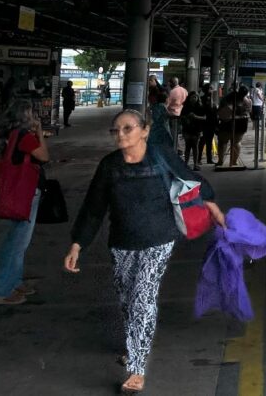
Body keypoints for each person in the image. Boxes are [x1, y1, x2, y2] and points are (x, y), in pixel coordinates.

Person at [64, 109, 226, 394]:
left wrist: (210, 203)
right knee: (128, 300)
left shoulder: (161, 156)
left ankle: (137, 368)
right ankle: (134, 344)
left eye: (128, 128)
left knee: (142, 299)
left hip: (159, 239)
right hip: (122, 243)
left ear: (145, 130)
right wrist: (78, 244)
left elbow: (190, 178)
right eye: (116, 130)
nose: (121, 134)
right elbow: (94, 208)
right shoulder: (110, 166)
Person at [0, 100, 49, 305]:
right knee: (17, 243)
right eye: (32, 113)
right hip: (26, 193)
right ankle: (1, 289)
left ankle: (14, 282)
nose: (35, 116)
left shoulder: (13, 134)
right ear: (25, 116)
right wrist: (40, 132)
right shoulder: (25, 137)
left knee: (16, 242)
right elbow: (44, 156)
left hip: (19, 192)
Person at [216, 87, 250, 167]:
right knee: (232, 142)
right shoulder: (245, 100)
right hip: (234, 123)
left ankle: (224, 161)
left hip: (233, 123)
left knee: (226, 142)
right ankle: (230, 161)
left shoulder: (229, 99)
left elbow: (222, 113)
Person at [180, 92, 205, 170]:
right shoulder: (185, 107)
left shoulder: (200, 107)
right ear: (189, 98)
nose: (194, 99)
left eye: (195, 97)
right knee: (187, 146)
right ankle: (186, 164)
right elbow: (181, 117)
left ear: (198, 98)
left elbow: (204, 118)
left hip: (196, 129)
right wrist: (186, 118)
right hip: (187, 129)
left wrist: (195, 117)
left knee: (195, 147)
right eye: (192, 97)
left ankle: (195, 164)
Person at [198, 84, 217, 166]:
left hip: (211, 123)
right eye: (211, 89)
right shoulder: (202, 99)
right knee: (203, 141)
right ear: (207, 89)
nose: (213, 90)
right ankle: (199, 158)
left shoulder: (212, 99)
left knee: (209, 141)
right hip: (205, 123)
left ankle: (209, 159)